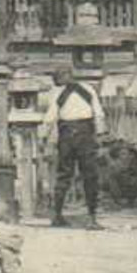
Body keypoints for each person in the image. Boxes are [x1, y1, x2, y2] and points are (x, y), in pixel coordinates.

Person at [42, 62, 107, 229]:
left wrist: (43, 138)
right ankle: (91, 218)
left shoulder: (56, 93)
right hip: (86, 134)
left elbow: (50, 119)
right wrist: (100, 136)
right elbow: (99, 115)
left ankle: (57, 216)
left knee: (64, 174)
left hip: (67, 135)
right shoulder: (88, 89)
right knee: (90, 175)